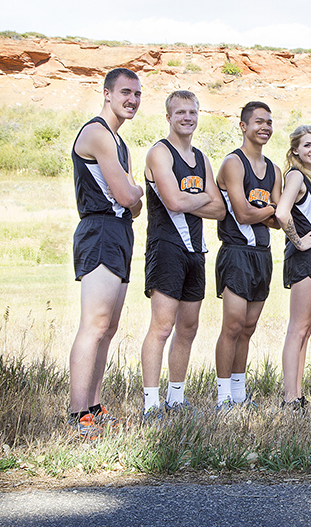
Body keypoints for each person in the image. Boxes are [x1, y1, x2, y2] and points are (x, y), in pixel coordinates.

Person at [69, 68, 144, 437]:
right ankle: (77, 414)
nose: (132, 99)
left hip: (119, 232)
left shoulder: (120, 142)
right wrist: (134, 191)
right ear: (107, 93)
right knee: (94, 325)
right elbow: (129, 197)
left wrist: (131, 195)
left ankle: (94, 408)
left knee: (109, 327)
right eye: (126, 92)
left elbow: (133, 207)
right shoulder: (98, 132)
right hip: (99, 229)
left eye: (137, 94)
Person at [140, 90, 224, 417]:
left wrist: (196, 198)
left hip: (196, 251)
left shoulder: (201, 158)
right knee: (161, 327)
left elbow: (219, 210)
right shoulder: (159, 154)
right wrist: (202, 196)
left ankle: (176, 397)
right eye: (180, 113)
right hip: (166, 248)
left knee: (188, 328)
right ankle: (151, 403)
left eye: (192, 112)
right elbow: (173, 203)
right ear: (168, 117)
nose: (187, 118)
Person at [214, 101, 282, 408]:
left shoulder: (274, 170)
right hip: (236, 252)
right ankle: (222, 395)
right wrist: (271, 210)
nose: (265, 127)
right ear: (243, 126)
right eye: (258, 122)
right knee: (232, 324)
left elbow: (279, 222)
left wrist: (270, 214)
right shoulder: (234, 163)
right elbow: (242, 214)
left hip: (262, 254)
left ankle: (239, 394)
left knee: (248, 328)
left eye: (269, 122)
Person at [275, 125, 311, 411]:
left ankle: (298, 394)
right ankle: (289, 397)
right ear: (295, 149)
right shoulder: (295, 175)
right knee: (297, 329)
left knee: (306, 330)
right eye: (307, 145)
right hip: (304, 258)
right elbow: (282, 212)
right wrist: (298, 241)